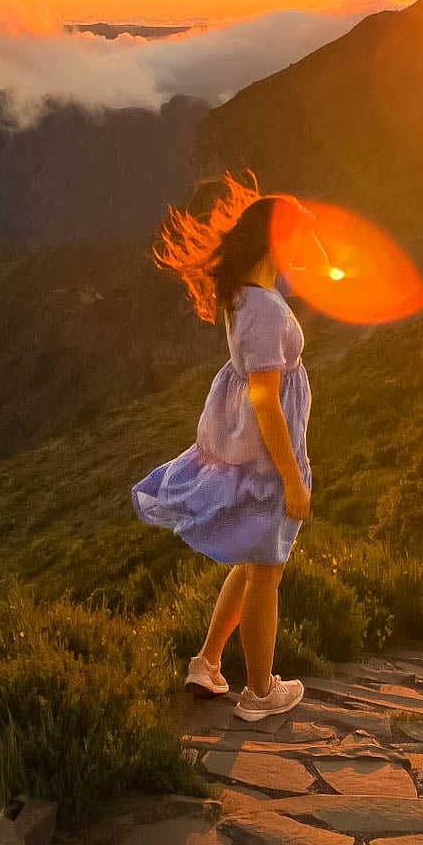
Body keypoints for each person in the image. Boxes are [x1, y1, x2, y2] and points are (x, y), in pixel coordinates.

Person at [132, 172, 313, 722]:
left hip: (246, 447)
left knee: (254, 556)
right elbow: (265, 401)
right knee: (268, 569)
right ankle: (260, 693)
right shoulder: (265, 310)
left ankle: (208, 664)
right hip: (264, 457)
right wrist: (291, 477)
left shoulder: (248, 295)